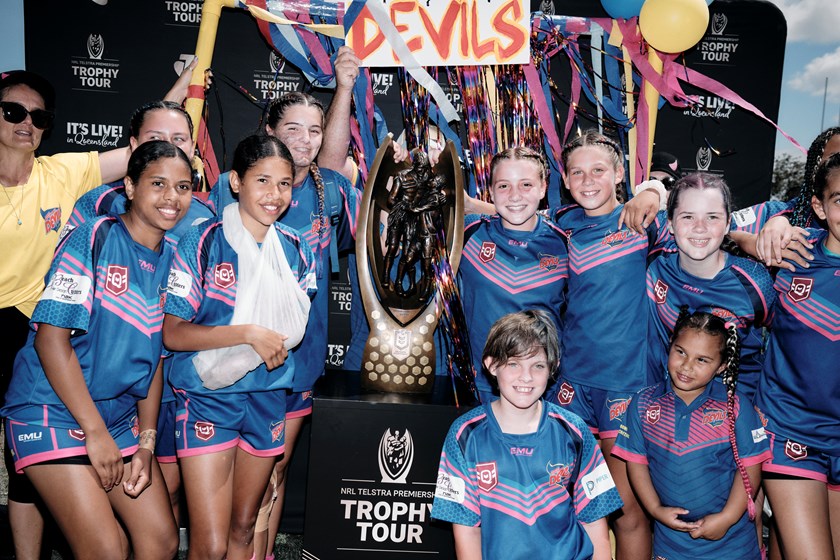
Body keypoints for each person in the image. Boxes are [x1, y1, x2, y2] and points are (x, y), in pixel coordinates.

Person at [2, 140, 193, 559]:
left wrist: (146, 443)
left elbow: (155, 360)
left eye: (183, 187)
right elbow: (50, 341)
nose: (171, 197)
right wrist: (94, 433)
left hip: (117, 418)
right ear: (130, 186)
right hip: (50, 410)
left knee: (161, 541)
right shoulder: (95, 236)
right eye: (158, 184)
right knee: (106, 549)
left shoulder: (175, 258)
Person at [163, 134, 316, 560]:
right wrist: (246, 333)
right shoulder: (203, 241)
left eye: (283, 184)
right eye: (262, 181)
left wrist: (258, 336)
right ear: (236, 182)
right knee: (210, 545)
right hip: (207, 399)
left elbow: (292, 331)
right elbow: (173, 333)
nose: (274, 195)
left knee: (245, 528)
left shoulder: (296, 249)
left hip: (268, 396)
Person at [64, 99, 215, 528]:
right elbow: (57, 332)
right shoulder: (96, 215)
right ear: (133, 147)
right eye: (156, 138)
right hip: (89, 389)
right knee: (100, 524)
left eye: (179, 138)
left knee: (161, 502)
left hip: (165, 379)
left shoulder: (203, 218)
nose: (169, 146)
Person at [0, 69, 131, 560]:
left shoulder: (61, 172)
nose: (26, 123)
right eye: (13, 111)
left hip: (37, 330)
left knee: (26, 459)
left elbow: (140, 148)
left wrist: (187, 85)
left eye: (38, 117)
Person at [546, 129, 667, 559]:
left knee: (625, 511)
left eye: (598, 170)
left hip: (626, 385)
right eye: (577, 172)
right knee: (567, 505)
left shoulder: (644, 223)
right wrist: (469, 205)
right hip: (570, 384)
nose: (588, 180)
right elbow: (515, 212)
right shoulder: (563, 224)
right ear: (565, 179)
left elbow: (703, 223)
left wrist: (654, 191)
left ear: (619, 174)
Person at [432, 310, 622, 560]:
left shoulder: (574, 430)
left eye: (538, 366)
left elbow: (594, 519)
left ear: (553, 367)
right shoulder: (465, 435)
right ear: (491, 364)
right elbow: (466, 530)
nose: (526, 377)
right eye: (513, 364)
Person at [614, 309, 771, 559]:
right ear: (670, 345)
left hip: (732, 544)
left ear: (721, 366)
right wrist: (655, 509)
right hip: (670, 544)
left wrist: (727, 518)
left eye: (702, 360)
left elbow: (751, 467)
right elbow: (637, 462)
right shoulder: (642, 404)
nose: (687, 366)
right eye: (681, 352)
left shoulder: (736, 407)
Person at [754, 152, 840, 560]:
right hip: (790, 431)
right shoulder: (794, 251)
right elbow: (724, 230)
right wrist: (771, 228)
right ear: (820, 207)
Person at [645, 172, 776, 400]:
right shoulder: (656, 262)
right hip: (669, 404)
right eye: (688, 217)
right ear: (670, 224)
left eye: (712, 217)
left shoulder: (756, 281)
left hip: (737, 407)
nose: (700, 227)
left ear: (727, 224)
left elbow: (786, 341)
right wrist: (651, 190)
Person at [459, 147, 567, 404]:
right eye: (504, 186)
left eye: (526, 184)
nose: (515, 195)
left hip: (541, 387)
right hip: (479, 385)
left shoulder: (565, 241)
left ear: (543, 188)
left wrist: (653, 190)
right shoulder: (469, 232)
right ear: (491, 190)